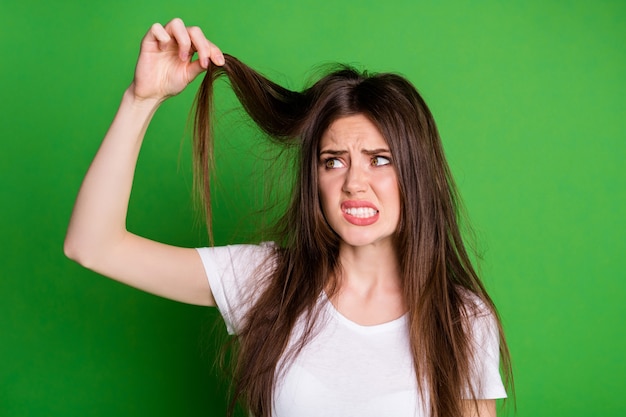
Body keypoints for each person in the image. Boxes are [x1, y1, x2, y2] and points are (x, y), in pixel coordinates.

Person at [65, 18, 512, 417]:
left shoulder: (462, 321)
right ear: (314, 179)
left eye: (380, 160)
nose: (355, 182)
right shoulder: (267, 281)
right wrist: (141, 100)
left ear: (416, 172)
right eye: (333, 161)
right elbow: (92, 246)